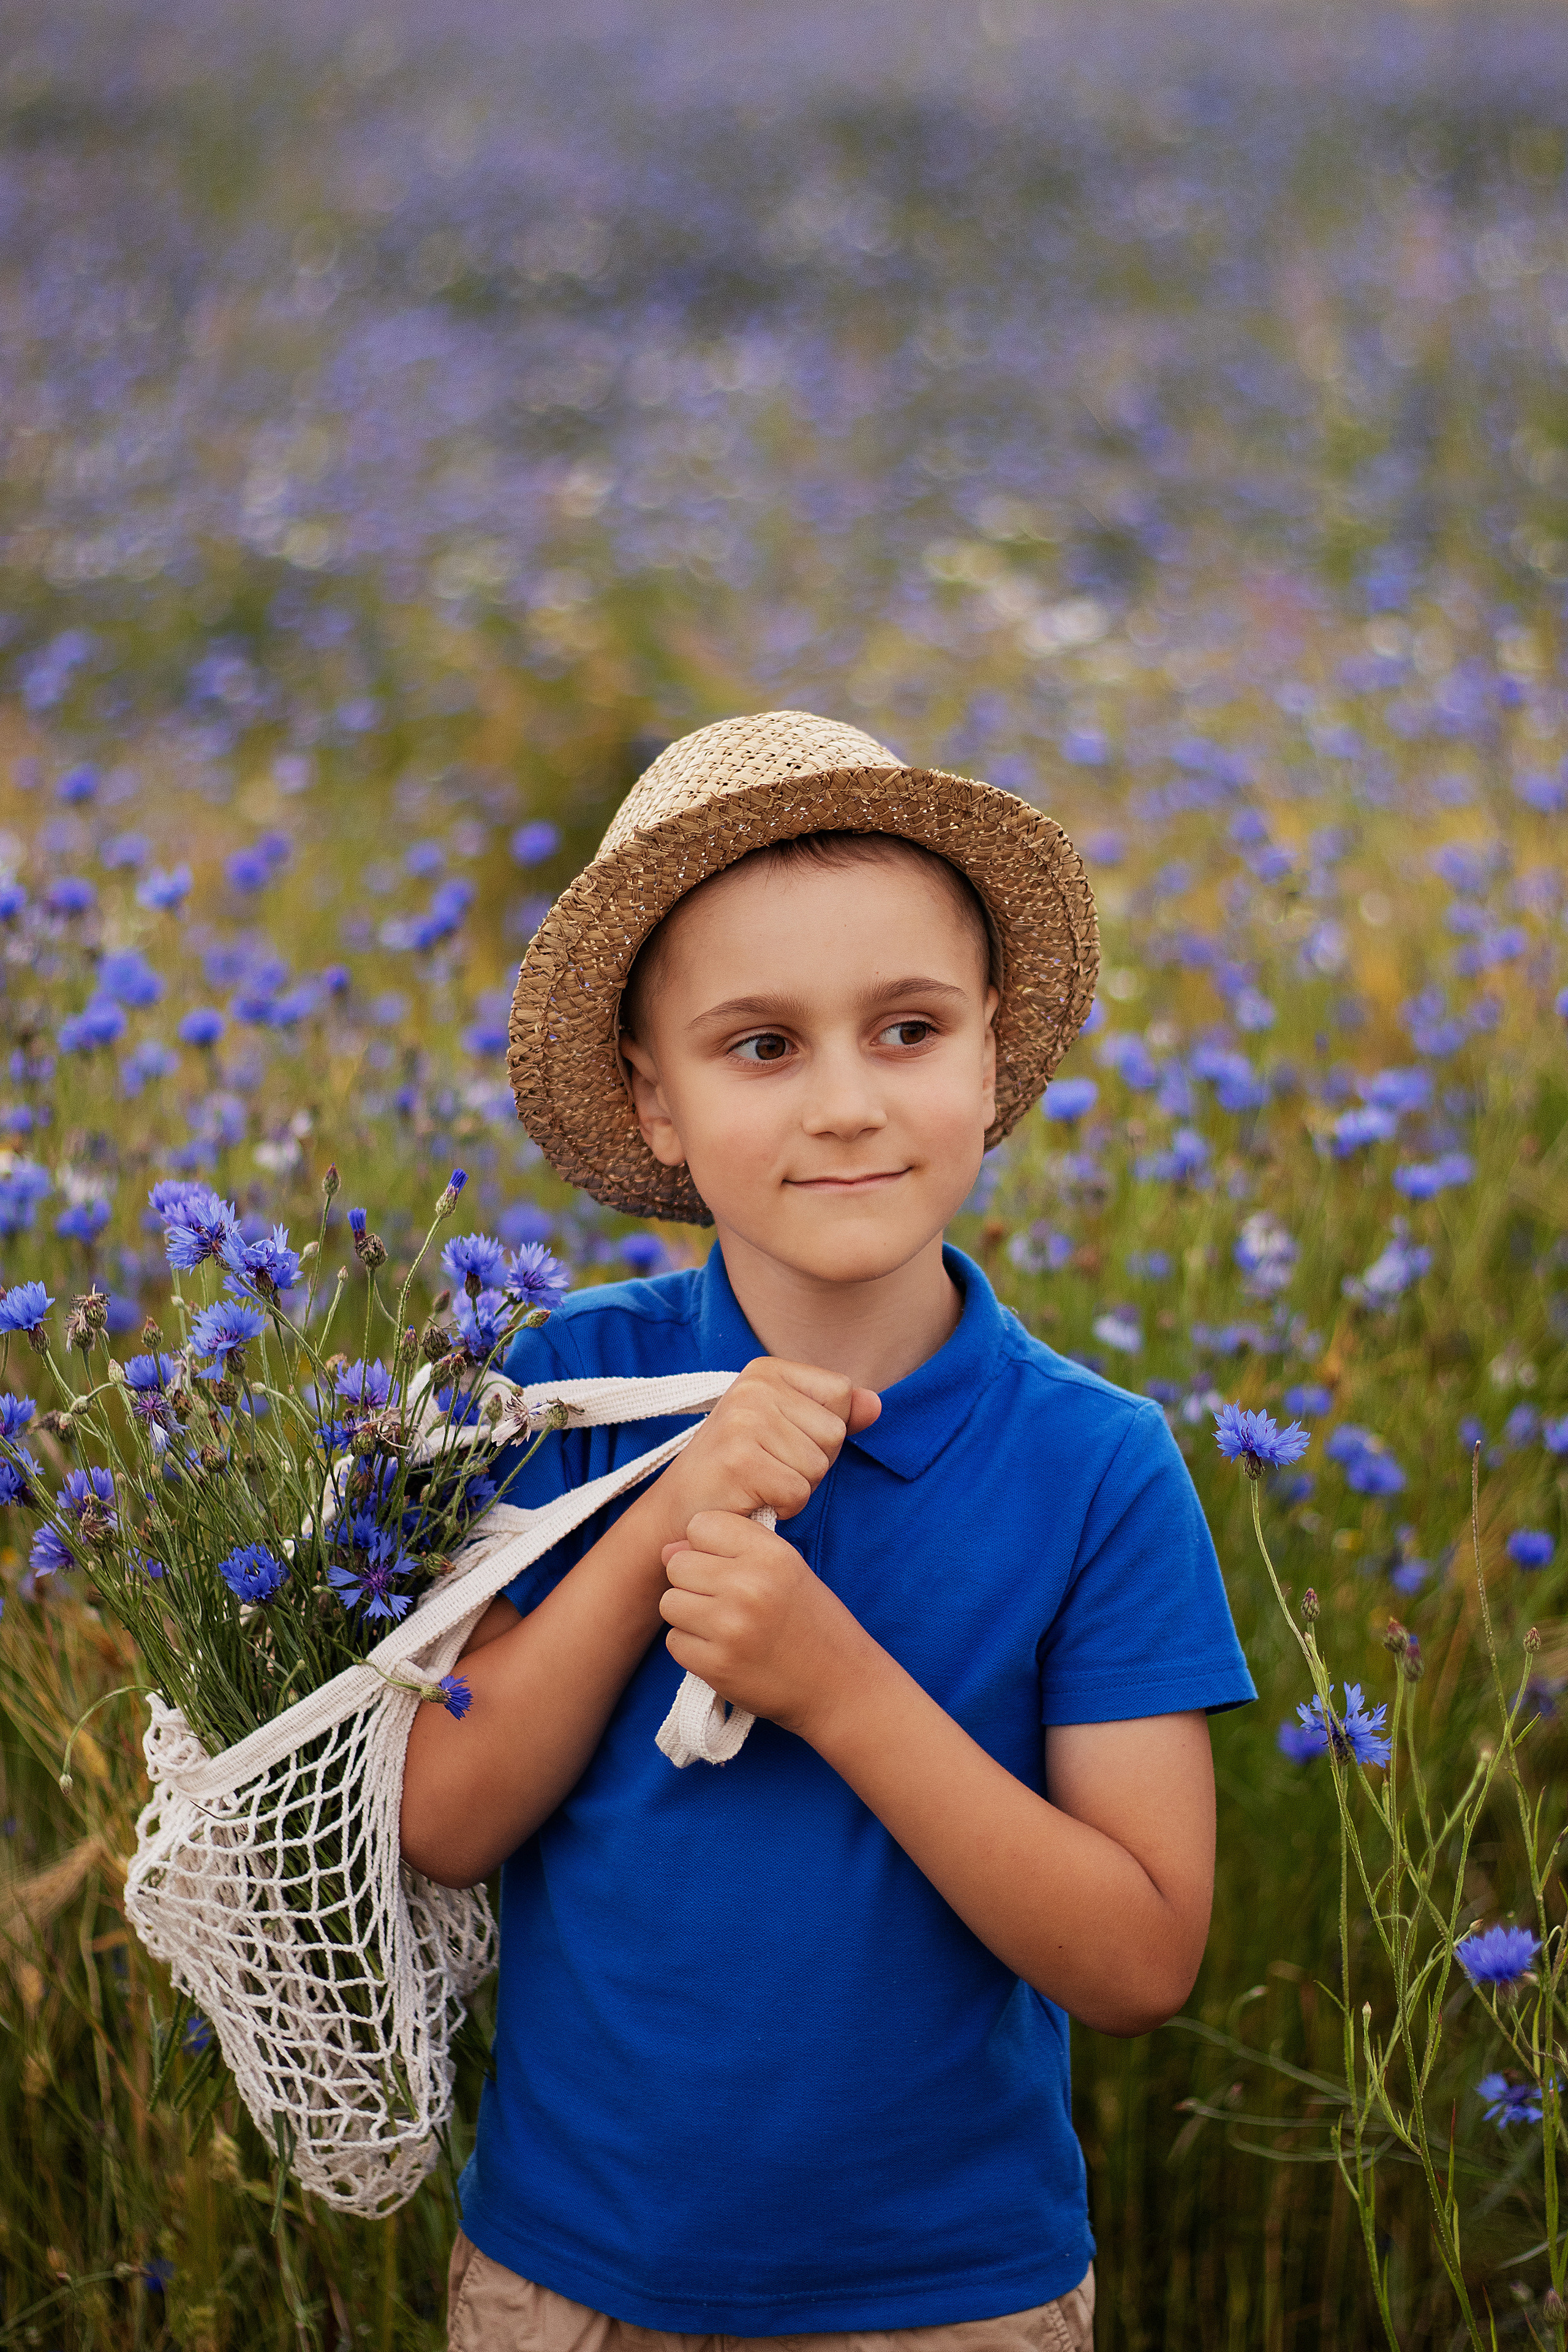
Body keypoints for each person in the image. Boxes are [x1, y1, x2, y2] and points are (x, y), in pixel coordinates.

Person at [400, 710, 1255, 2352]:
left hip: (950, 2303)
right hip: (571, 2281)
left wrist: (837, 1688)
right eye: (763, 1046)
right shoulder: (560, 1386)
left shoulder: (1100, 1468)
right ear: (655, 1103)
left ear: (993, 1053)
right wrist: (667, 1524)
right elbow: (447, 1814)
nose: (850, 1104)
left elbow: (1143, 1956)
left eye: (909, 1028)